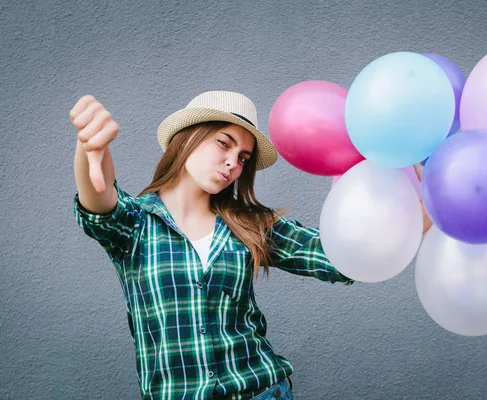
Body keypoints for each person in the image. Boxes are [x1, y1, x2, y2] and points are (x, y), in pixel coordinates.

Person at [71, 90, 432, 400]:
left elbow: (342, 258)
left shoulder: (251, 225)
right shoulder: (135, 224)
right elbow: (99, 198)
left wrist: (434, 200)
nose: (233, 163)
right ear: (187, 137)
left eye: (243, 157)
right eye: (223, 144)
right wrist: (92, 148)